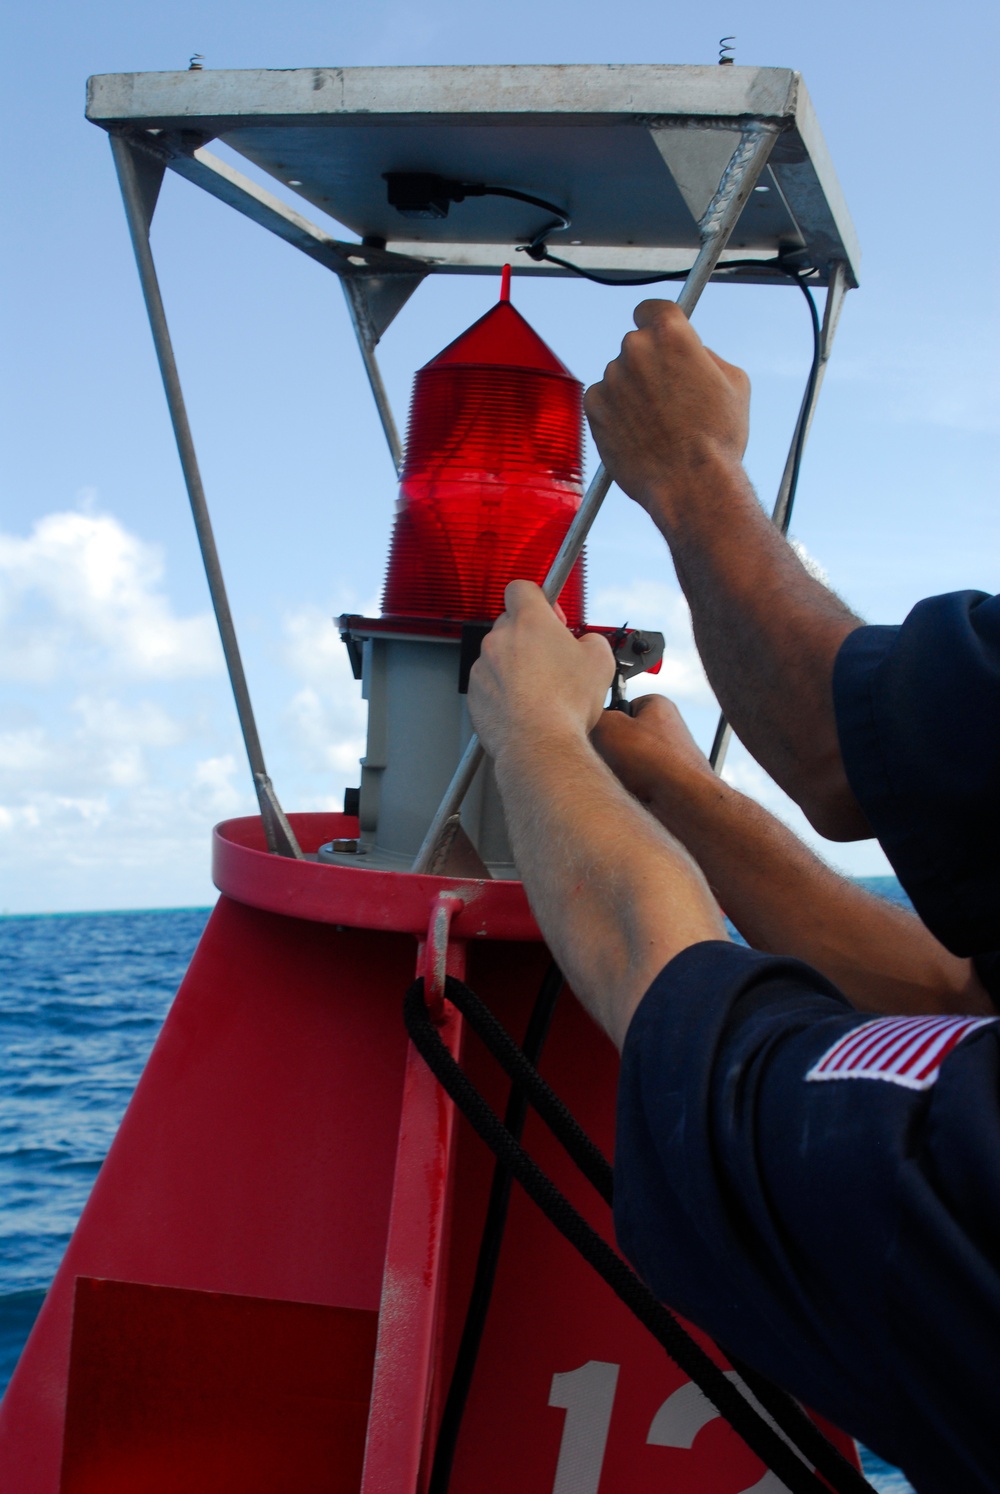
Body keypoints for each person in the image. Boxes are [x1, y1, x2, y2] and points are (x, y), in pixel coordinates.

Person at [466, 301, 1000, 1494]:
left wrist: (538, 733)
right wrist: (678, 793)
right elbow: (954, 995)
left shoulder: (957, 1194)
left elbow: (686, 1019)